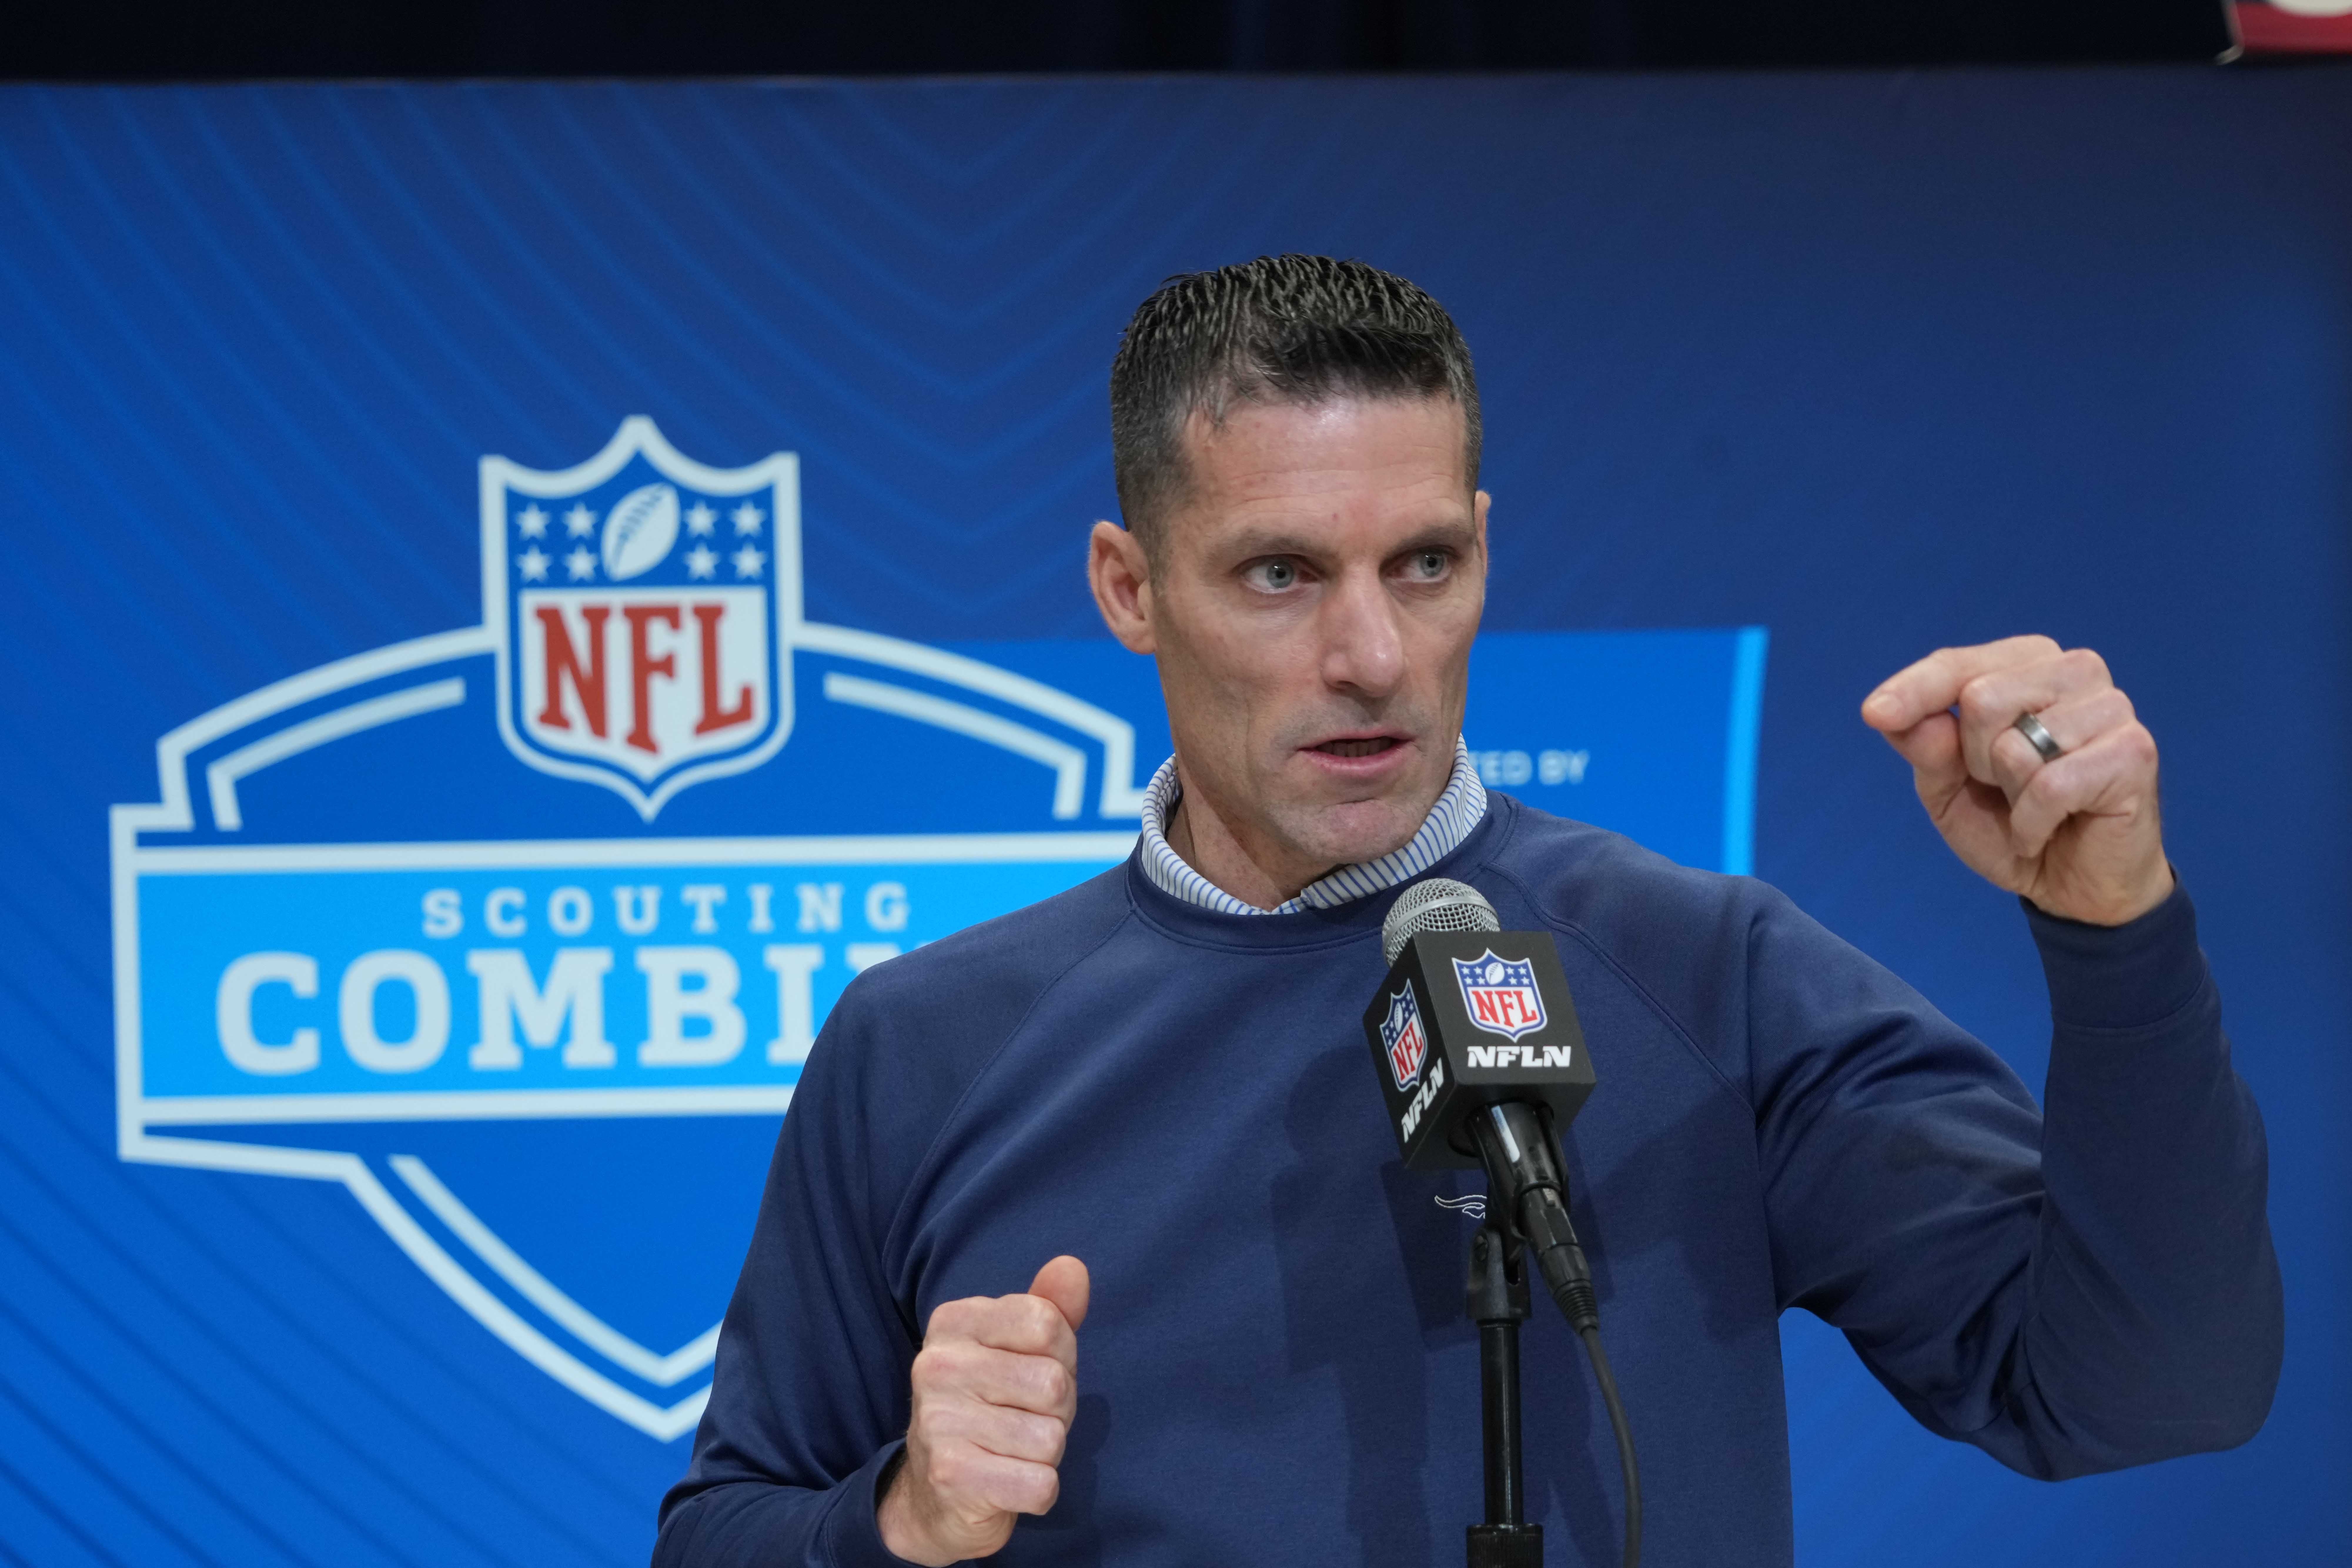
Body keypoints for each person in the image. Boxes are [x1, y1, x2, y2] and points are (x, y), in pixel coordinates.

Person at [653, 256, 2279, 1567]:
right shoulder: (924, 1042)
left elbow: (2150, 1391)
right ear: (1128, 587)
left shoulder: (1703, 972)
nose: (1369, 654)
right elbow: (720, 1532)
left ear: (1485, 552)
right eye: (1280, 575)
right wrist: (899, 1521)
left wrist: (2113, 930)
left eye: (1422, 566)